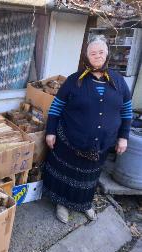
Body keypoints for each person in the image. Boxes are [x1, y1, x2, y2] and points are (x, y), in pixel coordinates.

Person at [43, 35, 132, 223]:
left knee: (89, 177)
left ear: (107, 53)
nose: (97, 55)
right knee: (67, 174)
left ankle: (84, 204)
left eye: (101, 52)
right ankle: (63, 204)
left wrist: (123, 137)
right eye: (93, 53)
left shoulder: (119, 81)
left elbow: (126, 111)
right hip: (70, 140)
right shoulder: (74, 81)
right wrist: (50, 131)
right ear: (87, 56)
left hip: (101, 144)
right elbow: (56, 107)